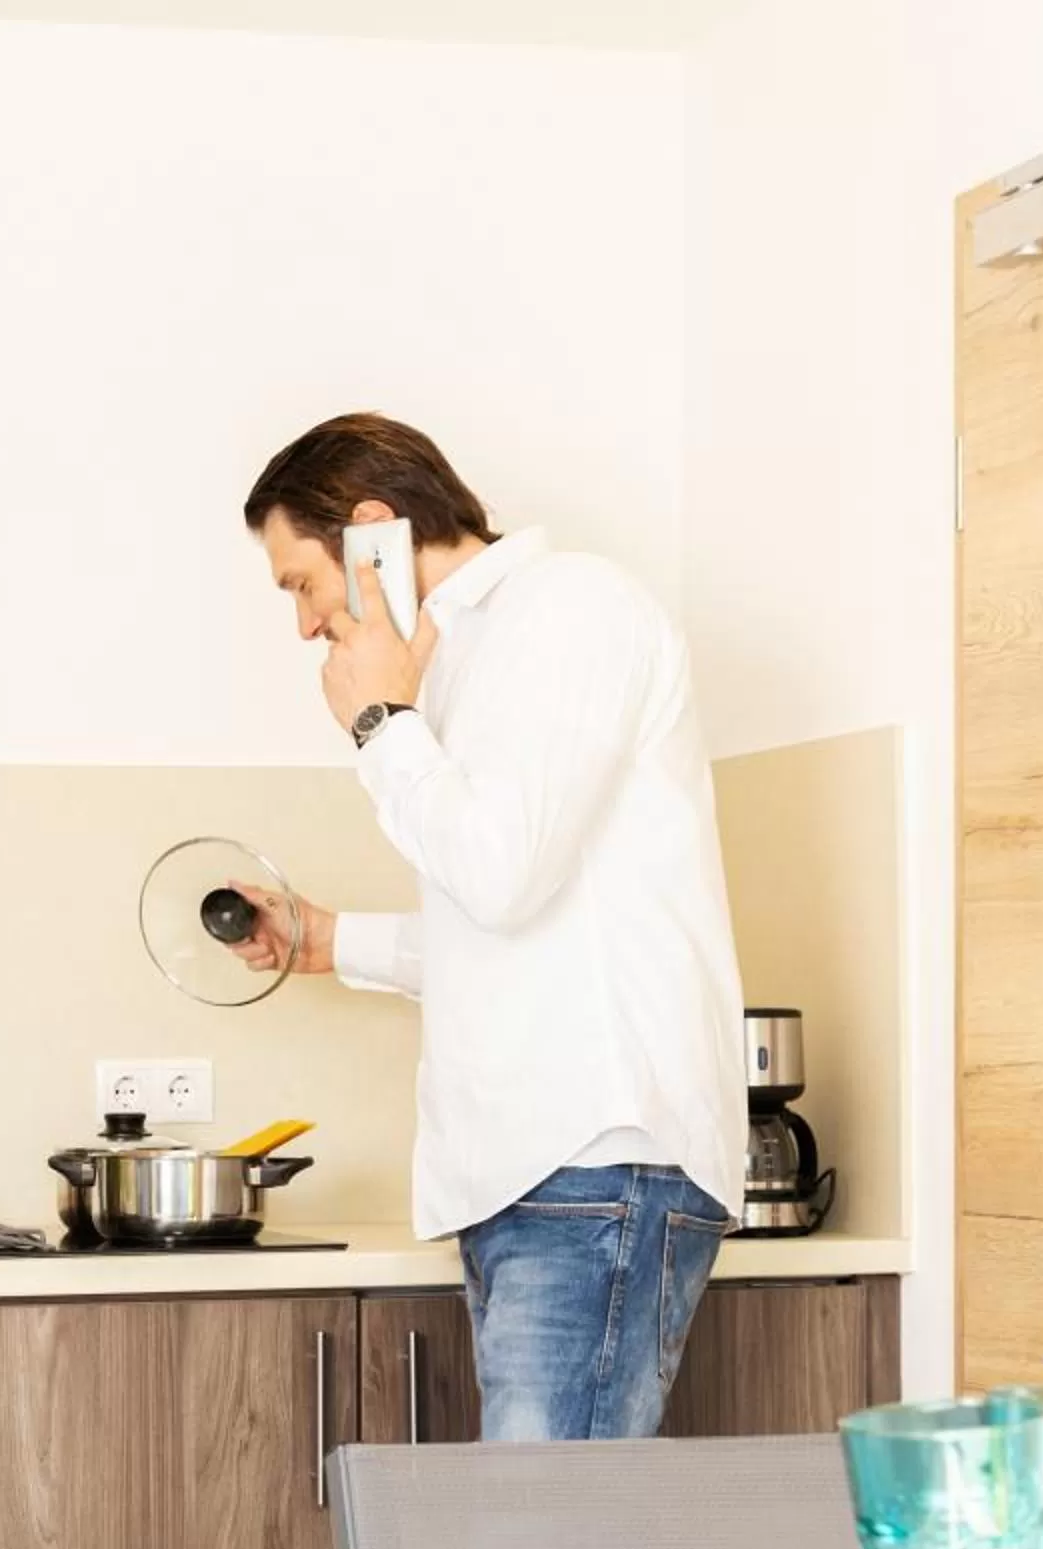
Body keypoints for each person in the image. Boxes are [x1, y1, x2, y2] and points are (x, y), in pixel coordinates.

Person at [232, 413, 745, 1441]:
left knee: (543, 1533)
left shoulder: (568, 610)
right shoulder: (463, 660)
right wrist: (331, 942)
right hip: (540, 1178)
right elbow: (509, 921)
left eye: (300, 583)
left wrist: (381, 726)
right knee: (535, 1531)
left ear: (371, 529)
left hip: (592, 1162)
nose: (303, 623)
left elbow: (501, 876)